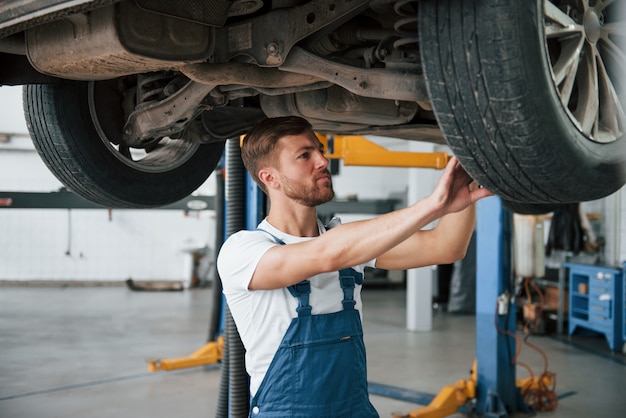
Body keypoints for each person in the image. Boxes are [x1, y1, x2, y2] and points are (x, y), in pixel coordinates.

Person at [217, 116, 493, 417]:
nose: (323, 161)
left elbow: (445, 246)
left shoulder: (350, 243)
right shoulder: (243, 251)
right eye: (305, 155)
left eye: (320, 150)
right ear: (270, 177)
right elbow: (325, 256)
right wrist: (431, 205)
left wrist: (469, 172)